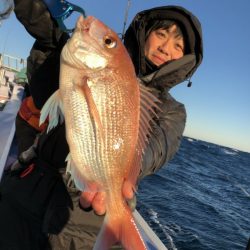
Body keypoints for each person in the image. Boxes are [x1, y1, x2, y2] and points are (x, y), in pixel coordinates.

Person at [0, 1, 203, 249]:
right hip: (28, 189)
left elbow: (155, 149)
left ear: (185, 59)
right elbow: (44, 95)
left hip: (82, 218)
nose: (165, 47)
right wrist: (48, 41)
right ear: (146, 34)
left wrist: (120, 175)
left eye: (178, 45)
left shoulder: (172, 111)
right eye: (161, 34)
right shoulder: (85, 63)